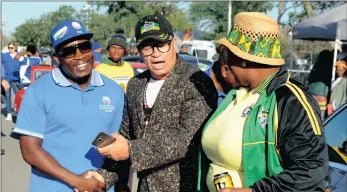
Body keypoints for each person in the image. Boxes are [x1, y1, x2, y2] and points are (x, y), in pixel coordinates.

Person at [80, 14, 217, 192]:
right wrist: (103, 176)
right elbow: (126, 137)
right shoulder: (136, 85)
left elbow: (186, 138)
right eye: (147, 48)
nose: (156, 54)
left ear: (173, 43)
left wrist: (131, 150)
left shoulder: (196, 82)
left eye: (161, 45)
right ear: (139, 50)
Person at [197, 12, 328, 192]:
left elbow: (312, 170)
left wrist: (255, 191)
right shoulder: (238, 94)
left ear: (243, 60)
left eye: (229, 53)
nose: (223, 63)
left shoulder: (291, 100)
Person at [13, 20, 124, 192]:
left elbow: (122, 146)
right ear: (57, 57)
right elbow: (30, 150)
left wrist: (120, 185)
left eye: (84, 46)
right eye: (69, 51)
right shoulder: (37, 91)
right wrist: (76, 181)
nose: (80, 56)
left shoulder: (115, 91)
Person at [307, 50, 334, 119]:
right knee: (320, 119)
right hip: (322, 97)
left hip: (311, 95)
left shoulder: (316, 66)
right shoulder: (328, 67)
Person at [2, 41, 21, 121]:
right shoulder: (4, 56)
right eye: (9, 48)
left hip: (16, 79)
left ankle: (20, 112)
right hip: (6, 79)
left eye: (12, 48)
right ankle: (9, 113)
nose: (10, 49)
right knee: (7, 96)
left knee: (19, 96)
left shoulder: (19, 56)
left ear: (15, 47)